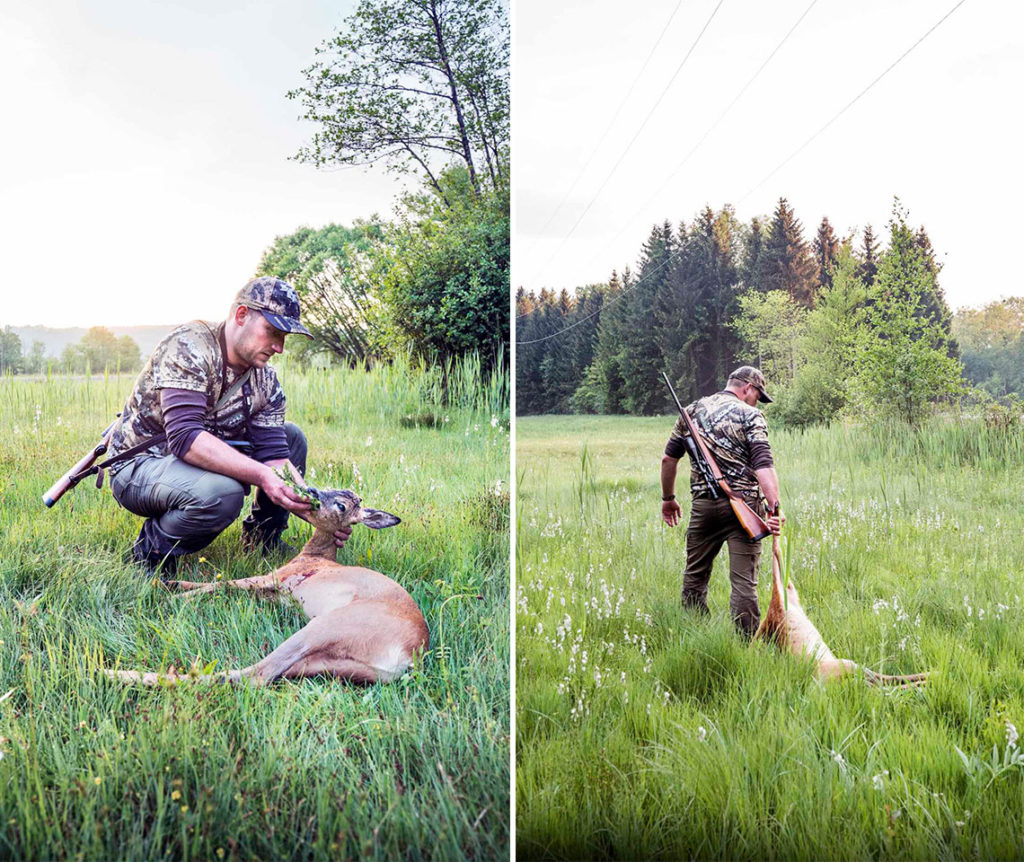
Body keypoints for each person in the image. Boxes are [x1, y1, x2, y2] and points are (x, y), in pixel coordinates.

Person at [107, 276, 351, 575]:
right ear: (241, 315)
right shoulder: (190, 345)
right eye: (272, 332)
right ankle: (150, 553)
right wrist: (262, 475)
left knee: (292, 438)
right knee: (223, 493)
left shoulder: (266, 380)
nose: (279, 347)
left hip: (190, 461)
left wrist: (316, 510)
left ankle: (263, 539)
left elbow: (274, 454)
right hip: (143, 465)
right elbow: (186, 438)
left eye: (285, 337)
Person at [660, 366, 784, 637]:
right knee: (743, 584)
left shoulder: (690, 411)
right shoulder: (751, 415)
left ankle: (693, 632)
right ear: (747, 388)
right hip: (744, 508)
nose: (756, 401)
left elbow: (668, 459)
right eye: (757, 395)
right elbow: (763, 465)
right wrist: (775, 507)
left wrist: (668, 499)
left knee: (695, 574)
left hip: (703, 506)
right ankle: (746, 644)